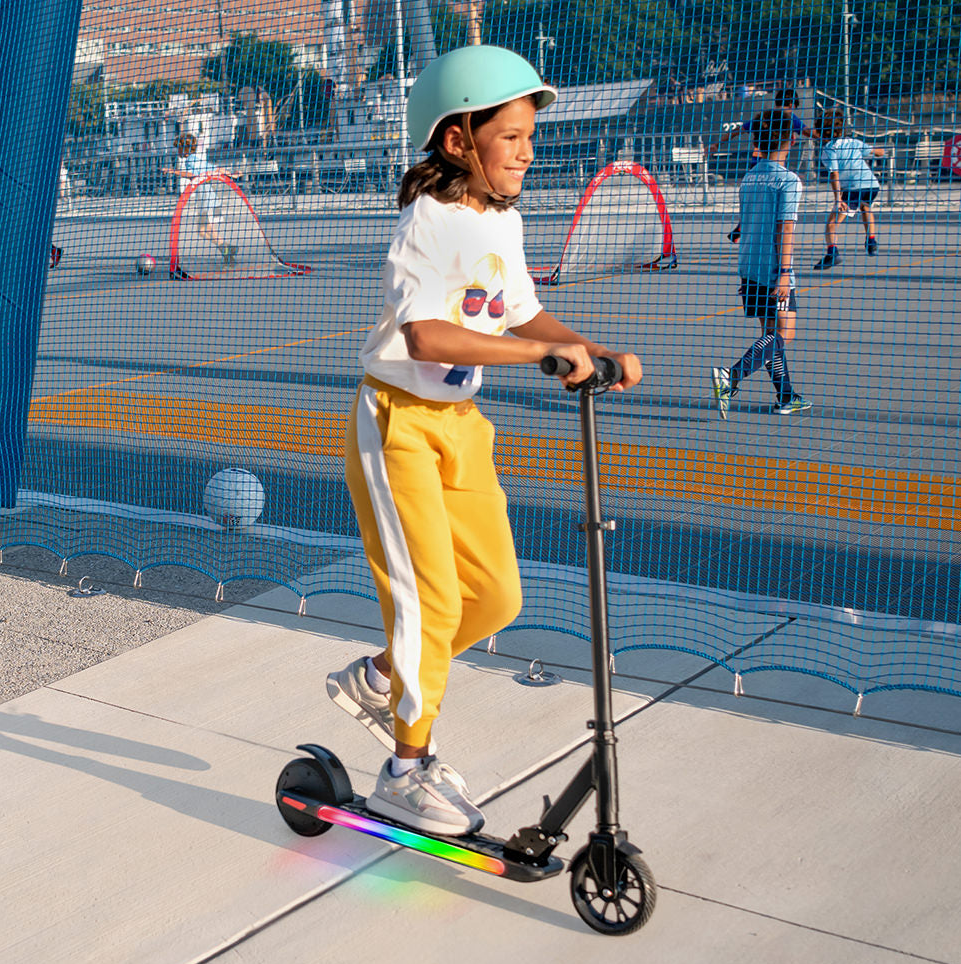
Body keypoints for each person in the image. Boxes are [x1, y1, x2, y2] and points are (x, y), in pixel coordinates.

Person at [326, 45, 642, 837]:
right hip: (398, 426)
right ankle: (404, 770)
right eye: (513, 137)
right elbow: (429, 336)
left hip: (461, 428)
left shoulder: (505, 220)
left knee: (497, 594)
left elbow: (518, 313)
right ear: (458, 140)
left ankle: (382, 677)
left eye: (531, 137)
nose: (530, 152)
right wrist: (540, 354)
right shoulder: (424, 225)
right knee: (429, 602)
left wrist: (588, 348)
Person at [711, 108, 811, 418]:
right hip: (772, 269)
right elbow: (785, 228)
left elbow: (745, 220)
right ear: (792, 139)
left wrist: (741, 230)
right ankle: (731, 376)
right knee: (784, 334)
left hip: (748, 267)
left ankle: (785, 396)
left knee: (770, 334)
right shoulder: (788, 181)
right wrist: (783, 273)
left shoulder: (750, 176)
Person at [709, 88, 819, 243]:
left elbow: (738, 130)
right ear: (792, 104)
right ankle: (752, 230)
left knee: (756, 195)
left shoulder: (764, 117)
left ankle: (742, 227)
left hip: (757, 161)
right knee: (776, 198)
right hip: (775, 163)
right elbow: (808, 132)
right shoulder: (788, 117)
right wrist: (828, 136)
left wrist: (717, 144)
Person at [814, 110, 886, 269]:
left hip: (853, 187)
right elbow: (874, 151)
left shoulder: (829, 149)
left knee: (832, 223)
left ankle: (832, 252)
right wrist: (880, 152)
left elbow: (834, 174)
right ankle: (871, 240)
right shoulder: (853, 142)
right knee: (865, 207)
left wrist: (838, 198)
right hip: (871, 184)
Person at [162, 132, 239, 271]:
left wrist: (173, 171)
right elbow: (217, 169)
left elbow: (193, 175)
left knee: (206, 229)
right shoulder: (197, 159)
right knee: (202, 230)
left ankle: (226, 249)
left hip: (207, 200)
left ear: (183, 149)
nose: (176, 151)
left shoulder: (190, 161)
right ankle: (226, 248)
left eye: (178, 149)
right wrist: (231, 173)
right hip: (209, 200)